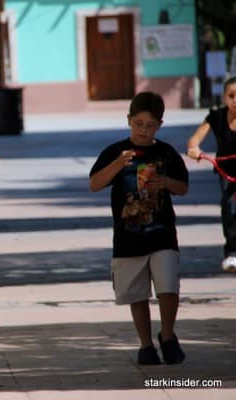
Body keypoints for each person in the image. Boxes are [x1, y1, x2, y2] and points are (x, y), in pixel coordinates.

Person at [89, 92, 189, 365]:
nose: (144, 131)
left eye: (150, 125)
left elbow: (183, 187)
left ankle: (167, 336)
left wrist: (165, 182)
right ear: (129, 121)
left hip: (162, 233)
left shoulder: (166, 153)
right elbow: (95, 183)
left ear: (159, 125)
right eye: (139, 124)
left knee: (168, 286)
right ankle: (145, 345)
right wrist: (118, 164)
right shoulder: (115, 152)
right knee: (137, 293)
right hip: (128, 237)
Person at [187, 76, 236, 272]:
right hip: (226, 172)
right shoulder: (215, 117)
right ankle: (232, 253)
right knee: (229, 208)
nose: (235, 100)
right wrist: (194, 150)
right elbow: (194, 140)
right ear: (224, 97)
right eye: (231, 96)